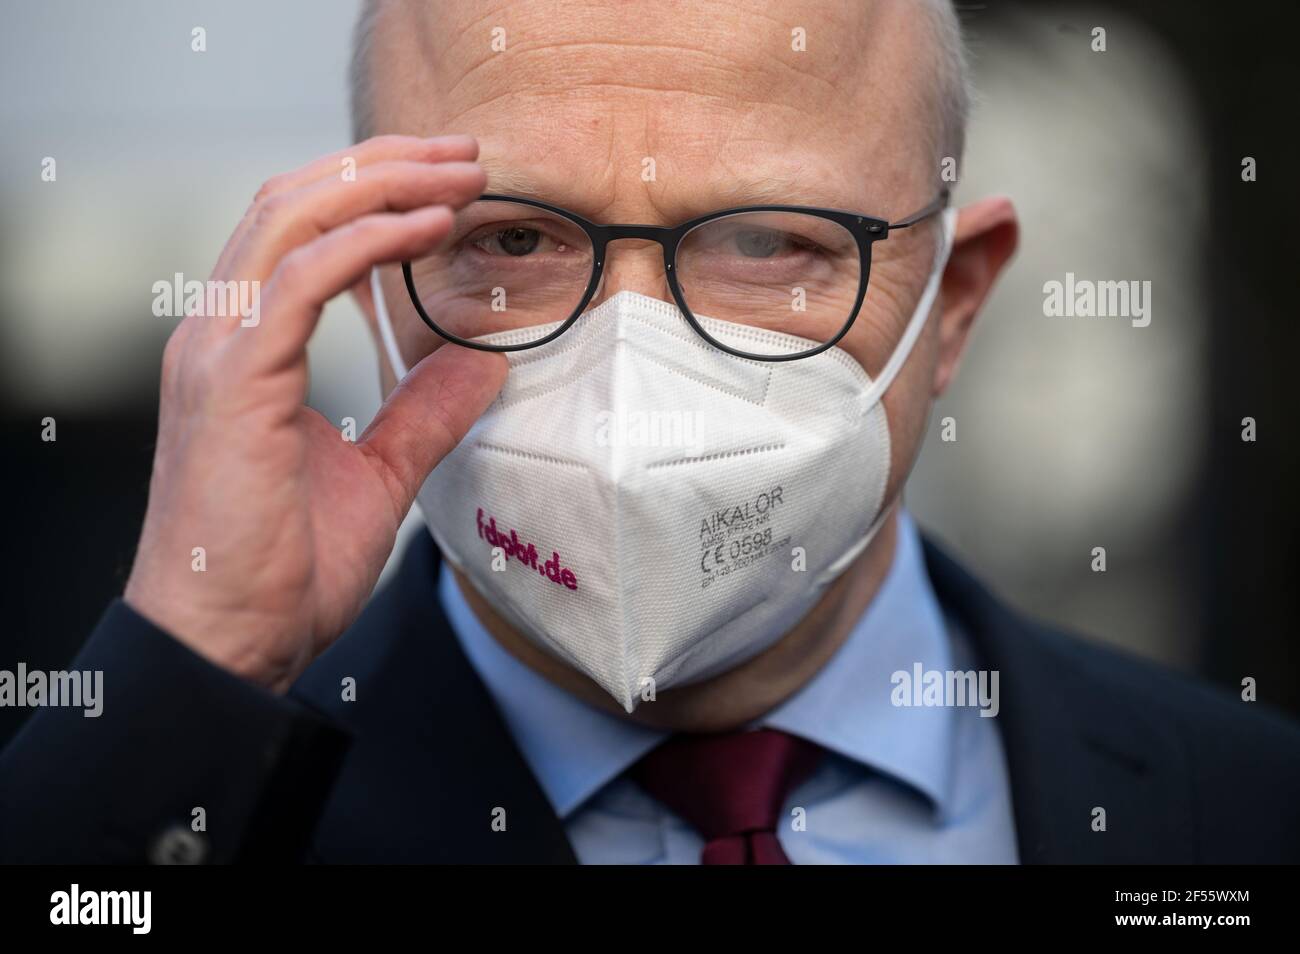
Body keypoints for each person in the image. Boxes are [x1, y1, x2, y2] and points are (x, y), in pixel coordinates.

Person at [3, 0, 1298, 865]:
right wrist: (189, 655)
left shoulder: (1240, 808)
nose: (629, 365)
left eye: (762, 244)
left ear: (953, 304)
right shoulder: (198, 808)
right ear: (368, 291)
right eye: (510, 239)